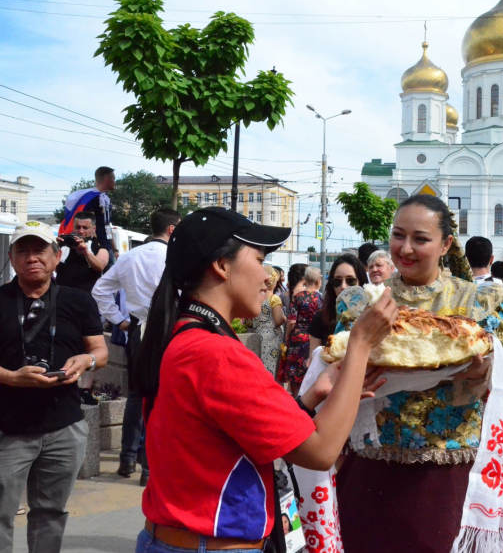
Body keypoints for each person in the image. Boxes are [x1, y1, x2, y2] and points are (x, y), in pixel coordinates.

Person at [132, 207, 397, 553]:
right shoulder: (216, 354)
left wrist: (309, 399)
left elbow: (228, 434)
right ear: (221, 266)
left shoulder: (185, 335)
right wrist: (360, 344)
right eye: (259, 260)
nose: (269, 277)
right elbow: (320, 452)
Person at [334, 194, 503, 553]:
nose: (405, 248)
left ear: (446, 244)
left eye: (420, 239)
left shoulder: (477, 302)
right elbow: (340, 364)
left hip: (448, 467)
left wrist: (482, 370)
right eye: (398, 235)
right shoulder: (364, 303)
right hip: (373, 462)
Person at [0, 221, 108, 553]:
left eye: (40, 250)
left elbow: (99, 350)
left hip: (64, 425)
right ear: (11, 257)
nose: (32, 258)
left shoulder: (78, 301)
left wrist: (85, 362)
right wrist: (12, 378)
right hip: (7, 427)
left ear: (57, 256)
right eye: (23, 251)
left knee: (51, 512)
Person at [91, 208, 180, 484]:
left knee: (137, 394)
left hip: (138, 331)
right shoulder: (177, 257)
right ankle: (149, 467)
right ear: (172, 230)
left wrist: (120, 320)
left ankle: (128, 458)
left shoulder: (130, 257)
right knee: (163, 397)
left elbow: (99, 289)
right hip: (169, 331)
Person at [307, 254, 368, 351]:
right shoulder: (321, 319)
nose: (343, 286)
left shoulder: (372, 317)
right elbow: (312, 362)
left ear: (361, 282)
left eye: (350, 280)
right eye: (337, 281)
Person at [59, 166, 116, 263]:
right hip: (96, 248)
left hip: (107, 247)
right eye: (114, 179)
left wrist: (114, 248)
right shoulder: (92, 198)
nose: (115, 182)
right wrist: (95, 246)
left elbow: (107, 226)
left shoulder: (105, 198)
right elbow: (89, 223)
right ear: (107, 180)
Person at [281, 266, 323, 395]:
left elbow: (292, 321)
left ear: (305, 280)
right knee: (311, 369)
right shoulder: (321, 298)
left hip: (297, 338)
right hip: (314, 339)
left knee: (294, 372)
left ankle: (296, 400)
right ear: (318, 281)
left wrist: (287, 337)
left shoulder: (297, 297)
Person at [55, 211, 110, 294]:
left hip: (88, 296)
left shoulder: (99, 248)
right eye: (77, 227)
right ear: (73, 227)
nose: (81, 231)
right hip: (62, 295)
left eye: (85, 228)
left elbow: (100, 266)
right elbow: (49, 267)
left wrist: (86, 252)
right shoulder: (64, 244)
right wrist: (54, 247)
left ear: (93, 228)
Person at [254, 265, 285, 376]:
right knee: (271, 367)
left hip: (258, 334)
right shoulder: (274, 298)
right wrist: (284, 318)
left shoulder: (257, 298)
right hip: (272, 337)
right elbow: (278, 320)